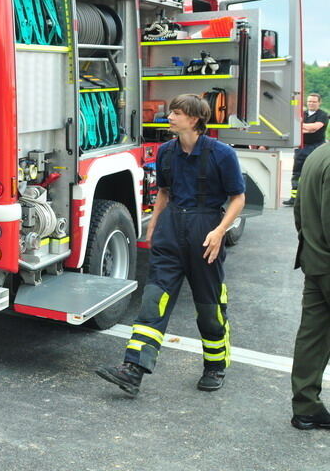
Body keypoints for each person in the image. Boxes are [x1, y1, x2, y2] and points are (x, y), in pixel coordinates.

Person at [97, 94, 245, 396]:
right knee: (153, 300)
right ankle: (133, 369)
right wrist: (153, 223)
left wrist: (219, 231)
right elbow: (163, 191)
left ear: (194, 119)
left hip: (206, 231)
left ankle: (215, 366)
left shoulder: (222, 154)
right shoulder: (165, 152)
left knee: (210, 307)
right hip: (172, 229)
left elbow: (238, 198)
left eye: (176, 113)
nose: (170, 117)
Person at [290, 140, 330, 429]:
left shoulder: (318, 154)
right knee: (313, 337)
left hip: (314, 259)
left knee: (312, 337)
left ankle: (306, 408)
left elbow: (299, 212)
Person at [285, 93, 329, 206]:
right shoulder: (302, 114)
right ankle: (294, 198)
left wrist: (301, 126)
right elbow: (293, 127)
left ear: (319, 103)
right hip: (302, 146)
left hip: (316, 146)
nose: (311, 103)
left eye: (314, 101)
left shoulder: (323, 115)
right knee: (297, 173)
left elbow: (315, 127)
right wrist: (306, 128)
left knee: (314, 172)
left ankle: (314, 199)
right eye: (309, 101)